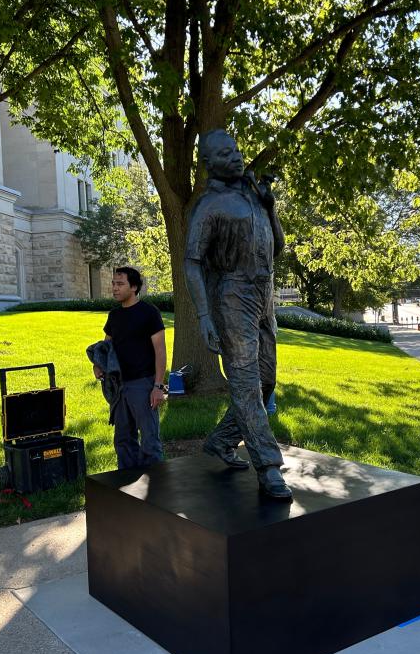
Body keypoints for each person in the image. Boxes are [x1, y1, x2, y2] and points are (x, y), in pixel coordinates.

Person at [184, 129, 292, 500]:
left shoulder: (253, 197)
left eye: (237, 150)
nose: (236, 157)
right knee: (245, 382)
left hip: (264, 295)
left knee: (265, 382)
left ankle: (221, 440)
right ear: (208, 164)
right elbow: (192, 263)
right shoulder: (208, 206)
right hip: (231, 297)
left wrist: (271, 205)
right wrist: (203, 316)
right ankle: (268, 466)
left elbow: (277, 247)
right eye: (226, 154)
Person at [92, 267, 167, 469]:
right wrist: (98, 365)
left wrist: (158, 387)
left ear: (133, 287)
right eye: (113, 284)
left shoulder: (149, 313)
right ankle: (126, 488)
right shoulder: (114, 315)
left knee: (150, 442)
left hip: (143, 385)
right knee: (123, 441)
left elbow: (160, 352)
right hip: (119, 386)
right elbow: (105, 346)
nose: (114, 288)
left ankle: (157, 490)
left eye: (120, 284)